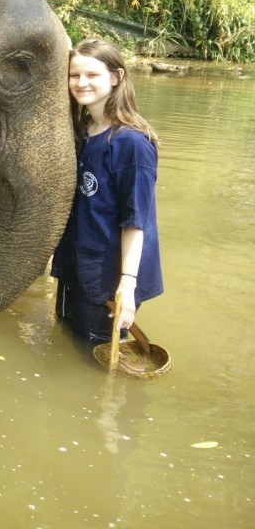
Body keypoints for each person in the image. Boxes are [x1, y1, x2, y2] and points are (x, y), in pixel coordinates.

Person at [51, 38, 163, 343]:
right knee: (64, 344)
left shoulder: (132, 144)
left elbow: (136, 221)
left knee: (92, 359)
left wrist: (127, 285)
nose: (80, 83)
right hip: (75, 264)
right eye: (74, 75)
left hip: (108, 276)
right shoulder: (81, 130)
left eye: (92, 75)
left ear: (116, 77)